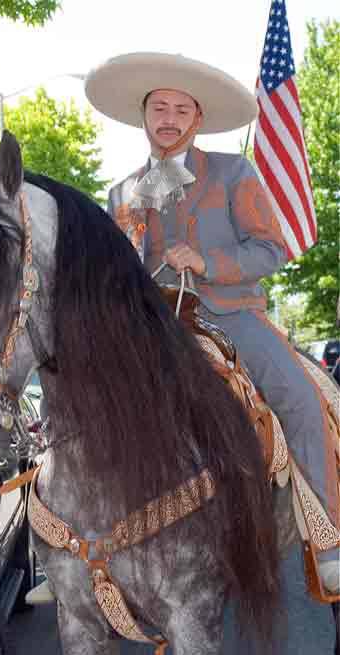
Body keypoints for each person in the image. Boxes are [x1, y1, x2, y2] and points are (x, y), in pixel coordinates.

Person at [85, 52, 340, 595]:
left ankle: (331, 539)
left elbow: (272, 249)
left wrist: (207, 264)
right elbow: (116, 275)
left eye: (181, 108)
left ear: (197, 119)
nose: (170, 117)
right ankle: (86, 545)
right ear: (144, 116)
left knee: (301, 399)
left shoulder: (233, 172)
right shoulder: (121, 193)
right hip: (155, 327)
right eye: (160, 107)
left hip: (232, 316)